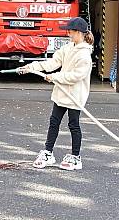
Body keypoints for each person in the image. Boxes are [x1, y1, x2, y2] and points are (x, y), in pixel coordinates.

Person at [18, 17, 94, 171]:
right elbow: (52, 63)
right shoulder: (68, 48)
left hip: (75, 96)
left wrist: (54, 77)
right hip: (61, 93)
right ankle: (48, 153)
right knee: (54, 122)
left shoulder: (85, 55)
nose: (68, 34)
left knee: (74, 125)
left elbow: (75, 76)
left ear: (79, 32)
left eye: (70, 31)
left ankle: (76, 157)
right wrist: (31, 67)